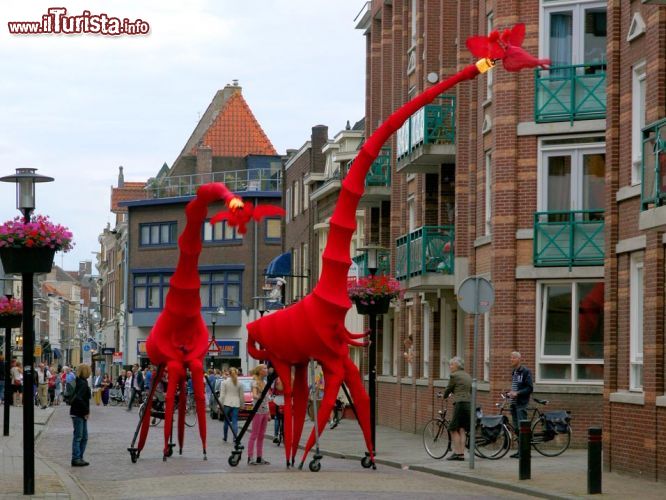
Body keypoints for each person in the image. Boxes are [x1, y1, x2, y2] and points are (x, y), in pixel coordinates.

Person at [443, 356, 471, 461]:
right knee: (462, 428)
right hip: (468, 403)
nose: (450, 367)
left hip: (459, 403)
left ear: (457, 366)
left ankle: (458, 453)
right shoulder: (468, 375)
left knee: (453, 428)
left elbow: (449, 388)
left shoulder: (454, 376)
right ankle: (462, 453)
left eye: (452, 365)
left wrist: (444, 396)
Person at [508, 351, 533, 459]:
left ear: (519, 359)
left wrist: (517, 393)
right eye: (511, 358)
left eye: (513, 358)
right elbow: (515, 387)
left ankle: (525, 452)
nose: (511, 360)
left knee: (522, 428)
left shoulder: (525, 371)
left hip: (521, 404)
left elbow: (529, 388)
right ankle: (520, 451)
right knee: (517, 429)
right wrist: (510, 393)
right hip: (513, 404)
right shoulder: (514, 372)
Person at [246, 364, 270, 465]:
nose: (267, 369)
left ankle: (259, 457)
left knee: (262, 435)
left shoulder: (265, 382)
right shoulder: (254, 382)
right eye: (264, 368)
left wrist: (268, 413)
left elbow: (267, 400)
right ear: (260, 371)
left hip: (265, 411)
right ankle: (250, 457)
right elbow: (254, 394)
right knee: (254, 435)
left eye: (266, 368)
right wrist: (257, 396)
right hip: (257, 411)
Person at [70, 363, 91, 467]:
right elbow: (80, 398)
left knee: (83, 436)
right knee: (79, 436)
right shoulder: (83, 383)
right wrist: (86, 411)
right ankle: (76, 458)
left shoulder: (80, 381)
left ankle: (79, 457)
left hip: (77, 412)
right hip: (79, 412)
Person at [219, 367, 244, 442]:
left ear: (229, 373)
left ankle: (225, 437)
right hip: (236, 403)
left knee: (226, 421)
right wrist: (242, 405)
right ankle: (235, 437)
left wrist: (220, 404)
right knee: (235, 421)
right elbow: (241, 396)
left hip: (226, 403)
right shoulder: (240, 383)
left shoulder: (224, 382)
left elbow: (222, 395)